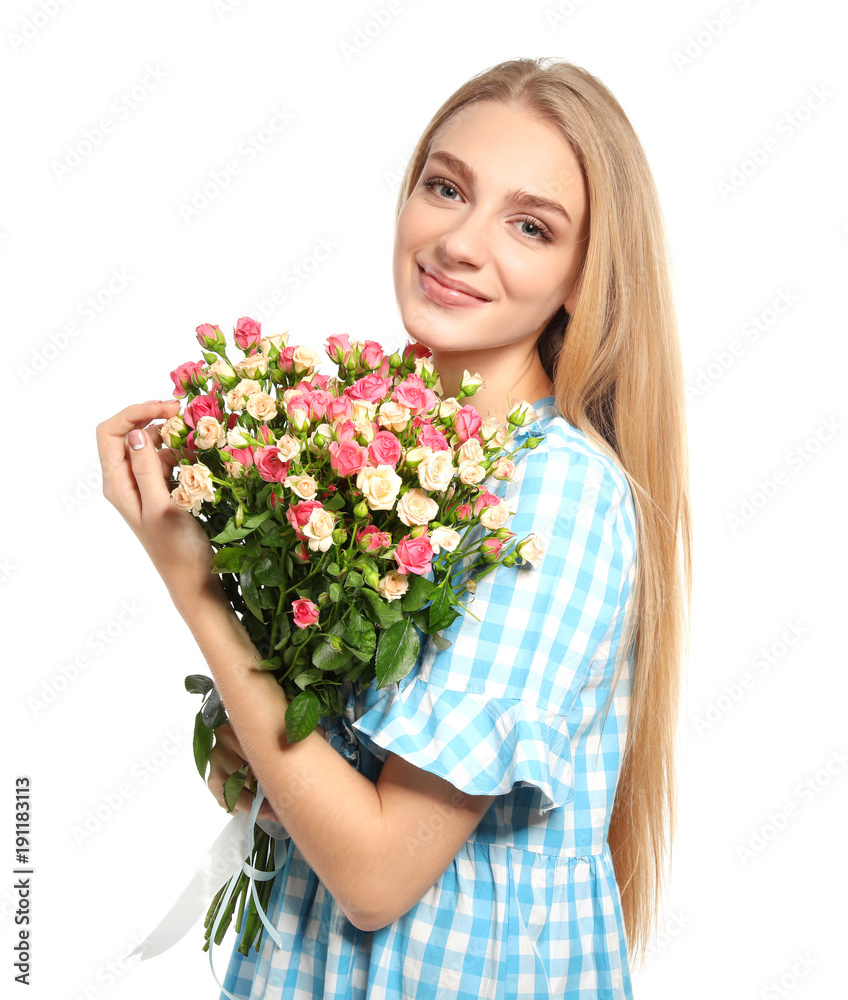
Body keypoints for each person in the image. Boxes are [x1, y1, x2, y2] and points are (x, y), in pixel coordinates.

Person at [96, 56, 692, 999]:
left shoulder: (551, 497)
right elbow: (280, 786)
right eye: (446, 187)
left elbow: (375, 874)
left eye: (529, 225)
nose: (458, 241)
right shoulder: (377, 454)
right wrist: (242, 739)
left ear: (584, 277)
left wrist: (194, 581)